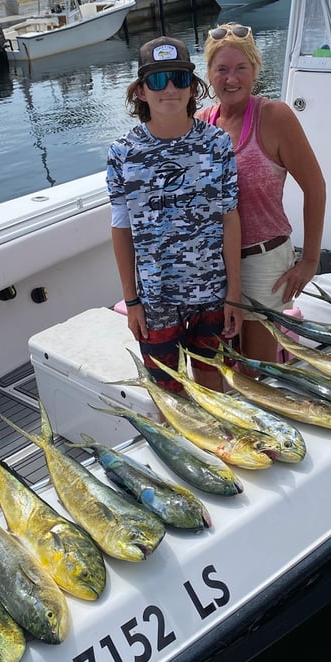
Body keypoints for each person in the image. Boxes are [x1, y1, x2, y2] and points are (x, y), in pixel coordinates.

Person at [106, 34, 243, 393]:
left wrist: (234, 294)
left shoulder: (217, 144)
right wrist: (132, 300)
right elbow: (121, 229)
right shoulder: (122, 153)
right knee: (168, 391)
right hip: (155, 300)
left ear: (192, 87)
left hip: (213, 294)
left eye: (179, 78)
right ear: (140, 91)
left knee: (213, 384)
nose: (169, 88)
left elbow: (230, 218)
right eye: (156, 80)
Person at [197, 21, 326, 366]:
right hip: (214, 265)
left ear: (255, 70)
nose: (231, 78)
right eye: (221, 69)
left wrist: (310, 260)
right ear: (208, 73)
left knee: (257, 367)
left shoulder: (274, 117)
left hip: (262, 259)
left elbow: (315, 187)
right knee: (223, 363)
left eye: (241, 68)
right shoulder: (200, 124)